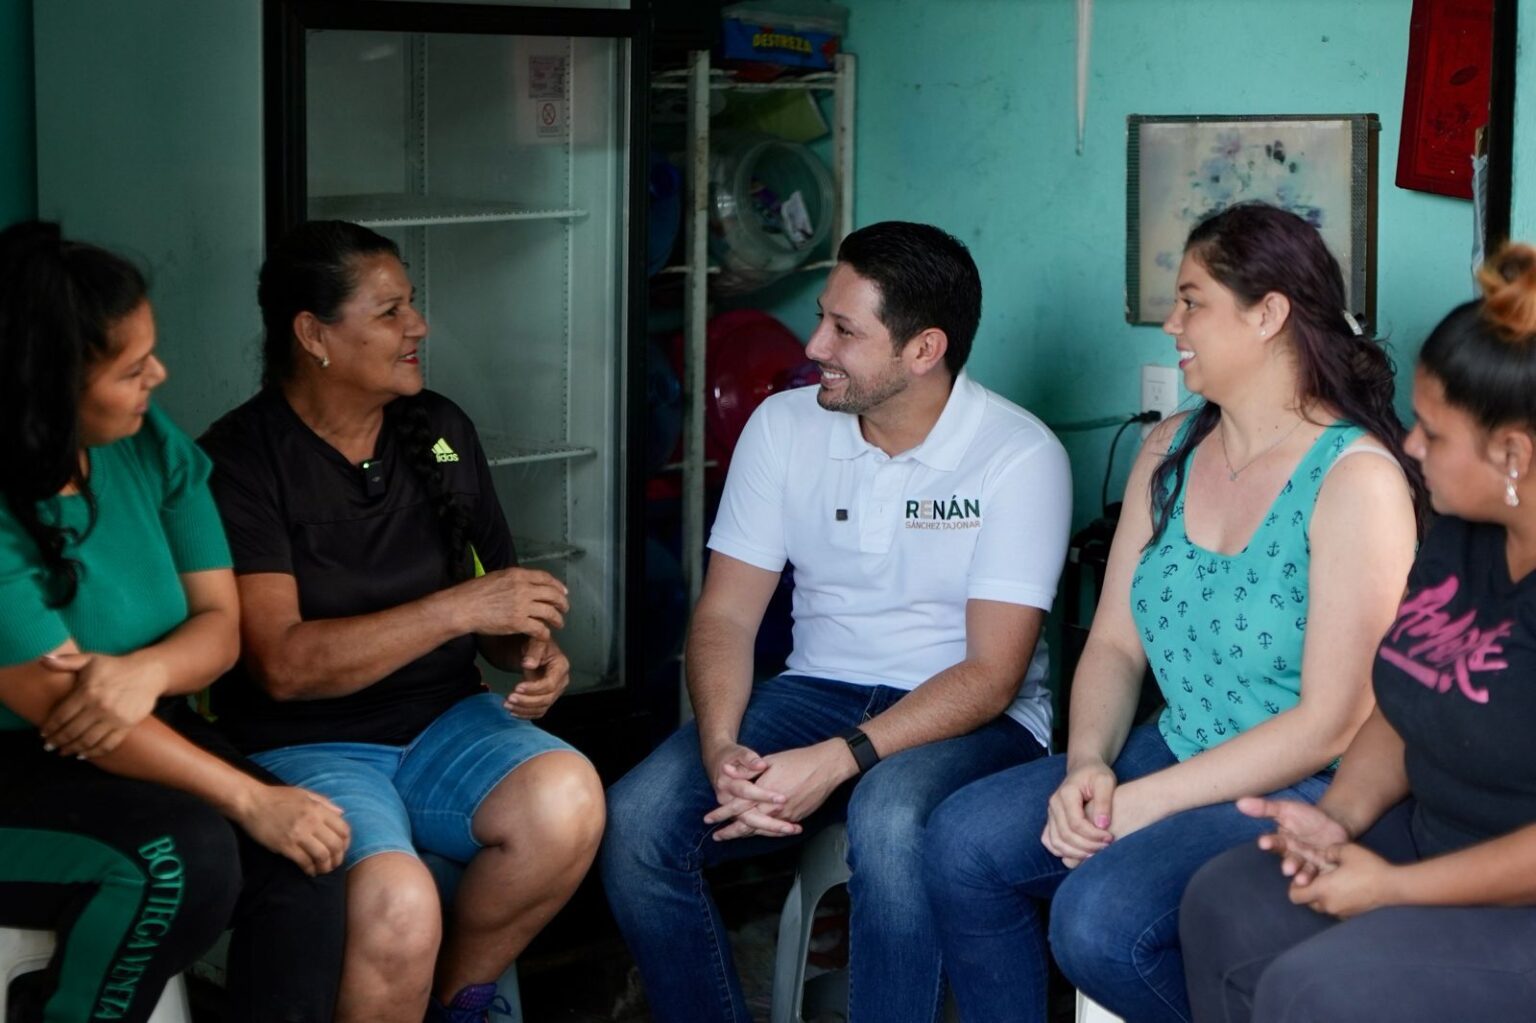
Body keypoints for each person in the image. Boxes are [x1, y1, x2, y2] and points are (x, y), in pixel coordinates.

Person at [922, 202, 1426, 1023]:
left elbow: (1332, 722)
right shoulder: (1170, 450)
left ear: (1268, 315)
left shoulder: (1355, 477)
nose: (1170, 321)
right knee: (960, 842)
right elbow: (1116, 643)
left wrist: (1144, 802)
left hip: (1298, 783)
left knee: (1101, 922)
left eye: (1192, 300)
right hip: (1176, 746)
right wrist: (1090, 761)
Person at [601, 220, 1073, 1022]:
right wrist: (722, 747)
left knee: (888, 816)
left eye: (844, 329)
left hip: (972, 712)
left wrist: (839, 759)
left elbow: (991, 675)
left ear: (923, 350)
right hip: (817, 689)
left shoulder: (1017, 454)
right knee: (637, 824)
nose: (814, 342)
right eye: (824, 315)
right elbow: (723, 614)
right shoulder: (783, 428)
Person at [198, 220, 604, 1023]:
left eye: (412, 305)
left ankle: (457, 1000)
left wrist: (527, 649)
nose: (417, 326)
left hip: (444, 722)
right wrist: (460, 608)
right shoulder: (242, 461)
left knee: (569, 797)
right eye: (390, 312)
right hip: (303, 744)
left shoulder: (441, 432)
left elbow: (494, 610)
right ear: (313, 334)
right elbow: (281, 662)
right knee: (398, 903)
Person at [0, 221, 349, 1023]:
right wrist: (247, 797)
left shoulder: (145, 442)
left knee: (308, 854)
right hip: (18, 766)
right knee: (176, 860)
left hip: (141, 729)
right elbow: (67, 709)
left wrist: (145, 670)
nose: (160, 374)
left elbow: (219, 626)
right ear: (50, 382)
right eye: (131, 368)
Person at [1180, 242, 1536, 1022]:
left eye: (1434, 435)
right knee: (1224, 903)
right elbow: (1407, 700)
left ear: (1513, 453)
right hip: (1437, 835)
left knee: (1314, 987)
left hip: (1520, 894)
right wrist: (1336, 818)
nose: (1409, 444)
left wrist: (1393, 889)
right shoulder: (1462, 532)